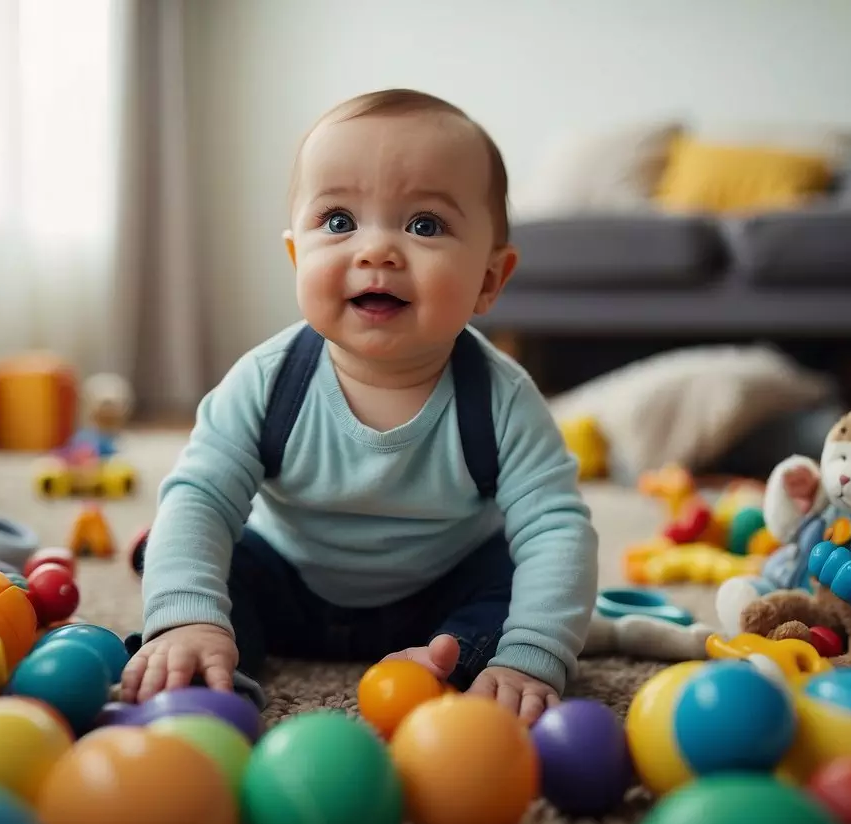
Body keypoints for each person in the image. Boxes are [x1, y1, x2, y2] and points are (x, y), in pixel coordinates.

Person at [121, 88, 599, 724]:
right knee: (196, 558)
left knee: (516, 582)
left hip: (440, 593)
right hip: (286, 580)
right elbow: (202, 495)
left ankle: (449, 667)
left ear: (489, 279)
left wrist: (533, 653)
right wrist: (186, 614)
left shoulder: (502, 399)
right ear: (297, 256)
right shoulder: (266, 383)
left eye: (424, 225)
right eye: (339, 221)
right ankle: (202, 669)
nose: (376, 250)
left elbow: (556, 529)